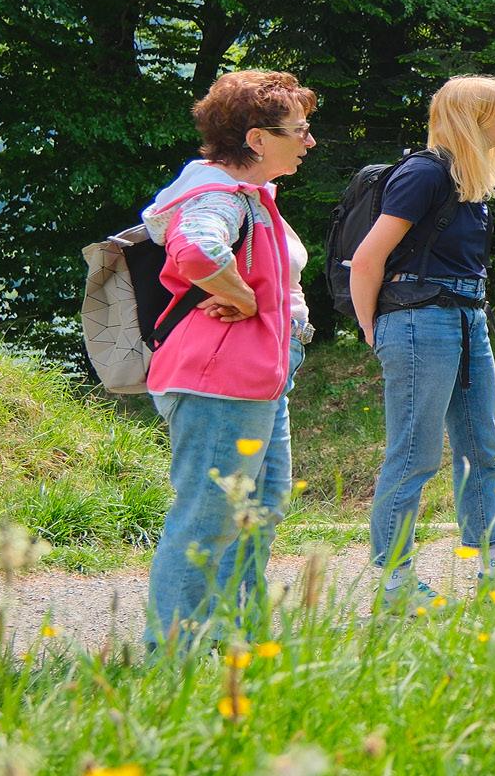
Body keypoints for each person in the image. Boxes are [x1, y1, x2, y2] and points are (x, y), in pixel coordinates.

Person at [141, 69, 318, 648]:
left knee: (260, 506)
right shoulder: (218, 194)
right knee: (209, 516)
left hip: (259, 379)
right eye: (300, 129)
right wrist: (240, 293)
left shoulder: (252, 195)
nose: (309, 141)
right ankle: (174, 656)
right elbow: (195, 249)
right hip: (222, 380)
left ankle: (233, 640)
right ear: (258, 139)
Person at [349, 75, 495, 605]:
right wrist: (372, 331)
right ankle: (395, 583)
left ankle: (492, 568)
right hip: (420, 321)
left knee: (480, 448)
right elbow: (367, 260)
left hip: (467, 317)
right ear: (474, 118)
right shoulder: (424, 174)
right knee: (415, 453)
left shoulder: (470, 181)